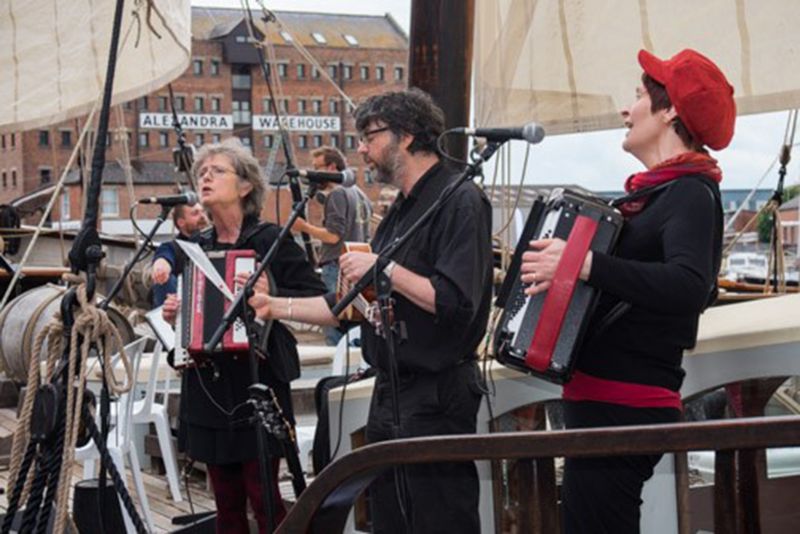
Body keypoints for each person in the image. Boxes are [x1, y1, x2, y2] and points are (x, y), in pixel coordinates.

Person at [247, 88, 493, 533]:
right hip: (391, 392)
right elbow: (348, 309)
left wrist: (384, 267)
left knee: (440, 520)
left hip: (436, 395)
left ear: (408, 135)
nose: (361, 148)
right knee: (391, 520)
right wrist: (273, 306)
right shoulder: (401, 210)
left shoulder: (460, 200)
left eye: (370, 135)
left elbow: (455, 301)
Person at [520, 49, 733, 533]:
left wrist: (581, 264)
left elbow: (689, 286)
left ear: (670, 110)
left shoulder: (690, 193)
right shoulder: (656, 192)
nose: (626, 108)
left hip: (624, 406)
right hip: (603, 403)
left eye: (639, 96)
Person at [162, 138, 327, 533]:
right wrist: (177, 314)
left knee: (263, 495)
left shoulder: (268, 239)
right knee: (225, 502)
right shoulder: (194, 246)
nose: (205, 177)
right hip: (209, 383)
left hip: (258, 379)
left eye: (216, 171)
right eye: (201, 172)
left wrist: (274, 297)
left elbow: (319, 298)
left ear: (245, 186)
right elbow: (196, 311)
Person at [291, 146, 372, 345]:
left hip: (337, 267)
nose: (315, 173)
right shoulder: (360, 194)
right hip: (356, 266)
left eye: (318, 168)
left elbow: (334, 236)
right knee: (353, 325)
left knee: (333, 320)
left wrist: (303, 226)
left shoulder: (337, 194)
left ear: (332, 167)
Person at [150, 202, 208, 306]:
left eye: (203, 212)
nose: (202, 216)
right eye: (195, 214)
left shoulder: (216, 241)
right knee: (165, 280)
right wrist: (161, 267)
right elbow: (164, 256)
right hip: (185, 304)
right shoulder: (172, 247)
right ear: (181, 222)